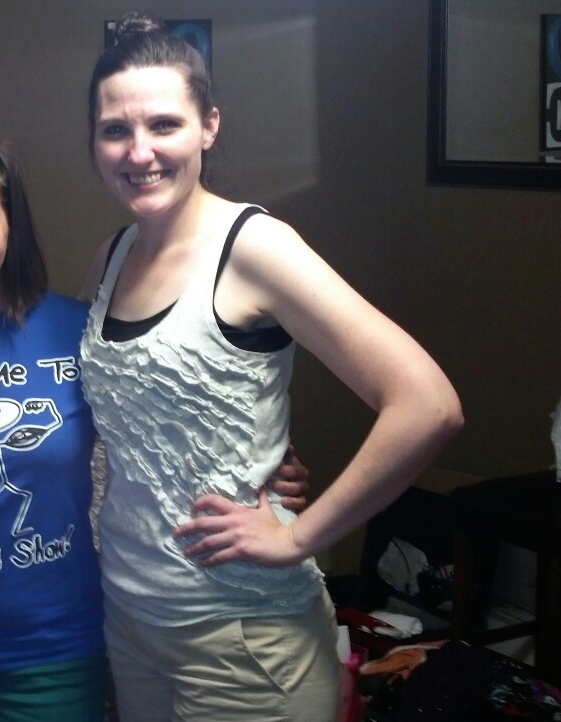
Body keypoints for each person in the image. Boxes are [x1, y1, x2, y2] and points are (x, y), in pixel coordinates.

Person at [77, 12, 464, 722]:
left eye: (164, 124)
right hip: (131, 619)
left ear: (208, 126)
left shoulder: (255, 247)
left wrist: (298, 537)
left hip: (245, 636)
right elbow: (146, 414)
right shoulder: (112, 254)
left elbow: (427, 404)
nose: (139, 151)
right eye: (115, 130)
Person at [0, 131, 312, 721]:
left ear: (10, 228)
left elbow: (162, 422)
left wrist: (262, 463)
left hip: (52, 646)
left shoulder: (76, 330)